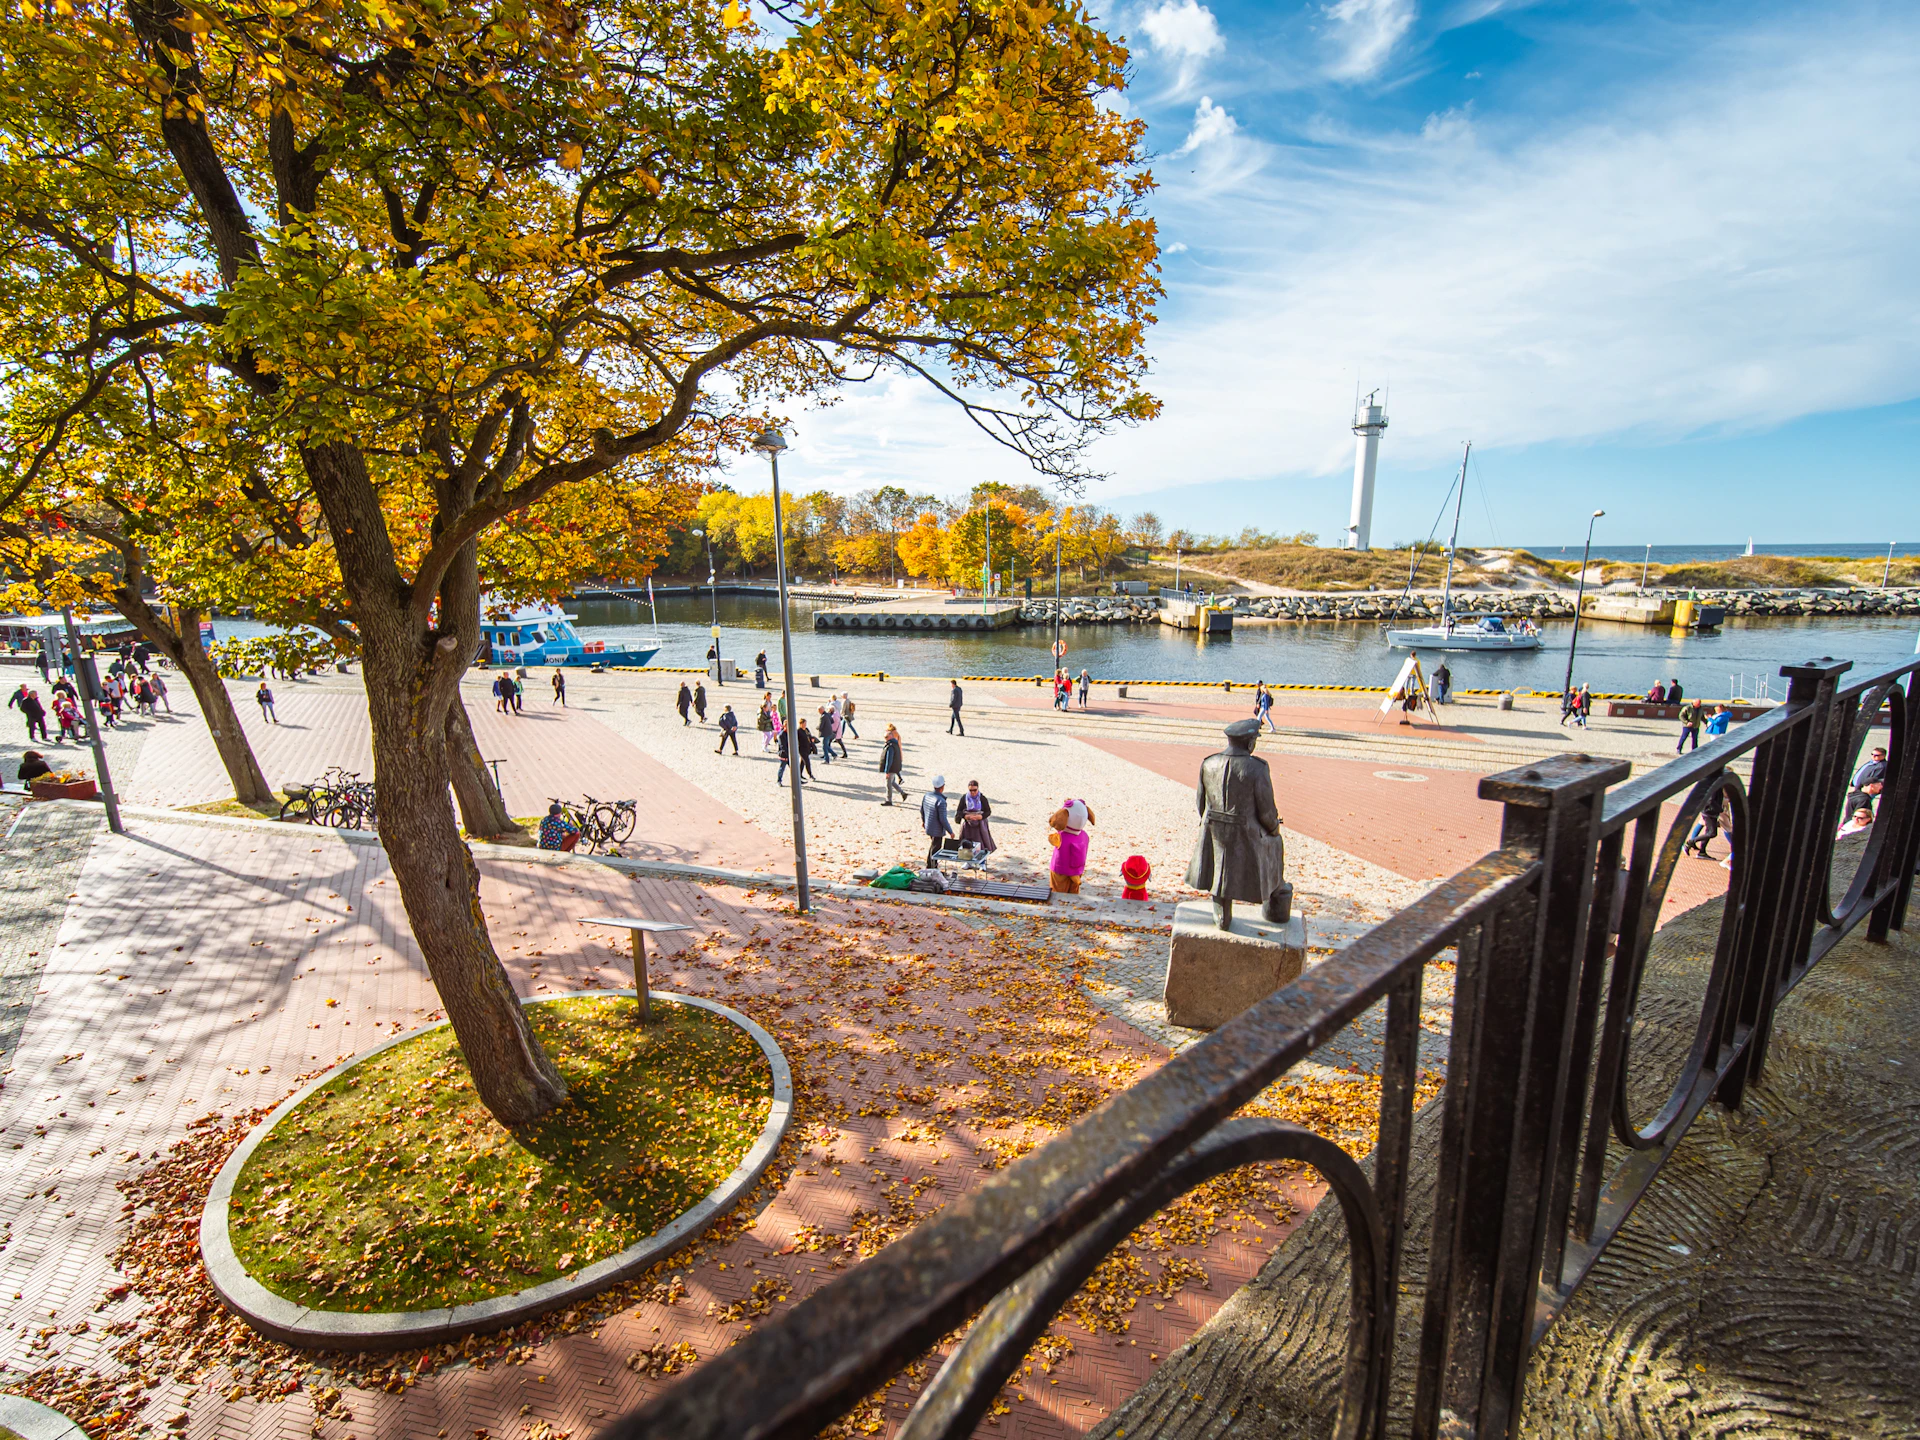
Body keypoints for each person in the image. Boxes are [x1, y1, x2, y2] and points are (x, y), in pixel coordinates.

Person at [955, 780, 996, 858]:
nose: (973, 792)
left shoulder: (982, 798)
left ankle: (982, 862)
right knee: (966, 843)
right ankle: (967, 861)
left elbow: (988, 811)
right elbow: (959, 811)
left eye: (974, 790)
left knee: (981, 844)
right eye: (971, 790)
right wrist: (965, 816)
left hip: (979, 825)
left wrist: (981, 817)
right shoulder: (964, 798)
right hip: (968, 825)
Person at [921, 775, 954, 866]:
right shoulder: (941, 801)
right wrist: (950, 831)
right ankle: (931, 867)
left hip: (929, 826)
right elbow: (943, 819)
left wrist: (924, 821)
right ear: (942, 786)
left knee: (933, 846)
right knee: (935, 849)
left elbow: (922, 810)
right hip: (937, 829)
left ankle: (931, 866)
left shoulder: (927, 796)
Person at [879, 724, 907, 805]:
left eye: (886, 738)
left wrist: (887, 771)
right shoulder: (894, 743)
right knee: (892, 782)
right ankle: (902, 793)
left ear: (889, 737)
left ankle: (889, 800)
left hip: (891, 768)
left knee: (888, 784)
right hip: (895, 766)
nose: (885, 740)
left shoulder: (890, 746)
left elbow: (889, 759)